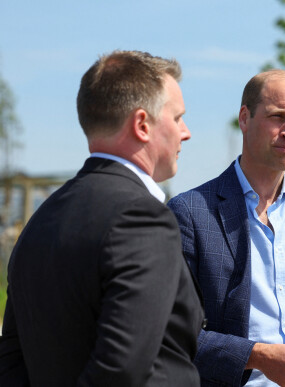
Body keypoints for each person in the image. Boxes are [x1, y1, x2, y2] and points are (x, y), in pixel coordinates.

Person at [0, 50, 205, 386]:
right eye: (178, 117)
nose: (186, 132)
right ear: (142, 124)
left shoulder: (42, 220)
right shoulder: (142, 219)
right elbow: (121, 371)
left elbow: (11, 360)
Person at [167, 69, 285, 386]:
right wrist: (256, 355)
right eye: (277, 116)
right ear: (244, 118)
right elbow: (175, 333)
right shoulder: (190, 212)